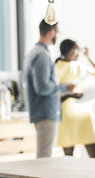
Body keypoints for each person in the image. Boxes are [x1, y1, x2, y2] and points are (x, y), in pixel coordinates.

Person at [24, 19, 74, 158]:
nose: (56, 35)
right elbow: (42, 87)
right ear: (51, 32)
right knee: (44, 158)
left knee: (44, 156)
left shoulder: (34, 53)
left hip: (41, 111)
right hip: (45, 112)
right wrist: (64, 89)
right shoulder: (42, 55)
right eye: (56, 32)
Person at [55, 39, 95, 158]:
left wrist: (88, 58)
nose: (78, 53)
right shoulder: (57, 67)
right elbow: (54, 93)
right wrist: (69, 95)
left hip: (84, 112)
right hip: (67, 115)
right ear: (68, 50)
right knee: (68, 158)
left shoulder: (80, 65)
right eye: (76, 50)